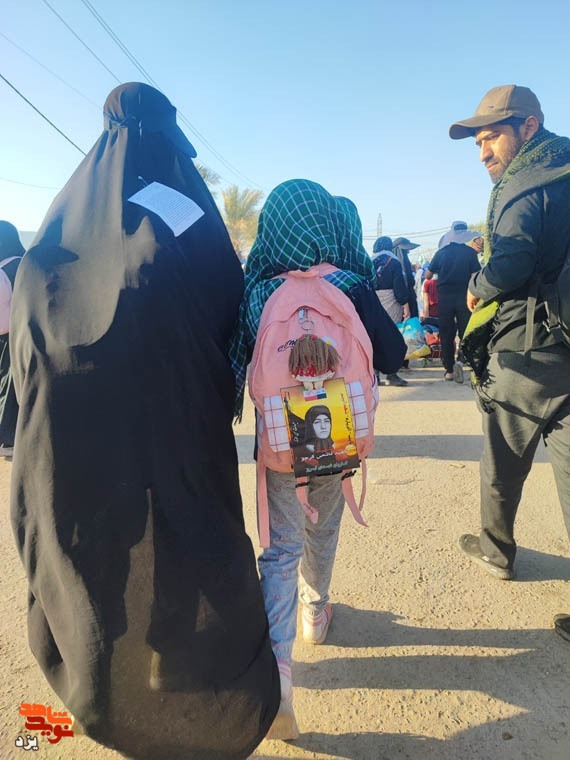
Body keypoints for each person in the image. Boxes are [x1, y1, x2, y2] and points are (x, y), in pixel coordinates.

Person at [10, 82, 279, 758]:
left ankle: (100, 685)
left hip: (77, 431)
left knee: (99, 542)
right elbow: (227, 299)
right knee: (190, 526)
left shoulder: (61, 219)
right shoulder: (187, 209)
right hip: (180, 418)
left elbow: (31, 332)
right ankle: (187, 671)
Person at [230, 179, 406, 740]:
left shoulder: (258, 293)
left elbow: (235, 364)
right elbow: (396, 353)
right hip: (336, 437)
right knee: (323, 528)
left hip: (281, 441)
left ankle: (278, 677)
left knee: (280, 548)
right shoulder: (351, 284)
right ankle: (315, 610)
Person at [448, 85, 570, 641]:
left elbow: (514, 259)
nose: (483, 153)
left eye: (491, 137)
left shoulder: (528, 181)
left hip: (528, 348)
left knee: (502, 457)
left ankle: (496, 551)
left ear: (529, 127)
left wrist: (479, 284)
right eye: (478, 143)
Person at [425, 230, 482, 382]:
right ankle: (462, 361)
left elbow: (428, 275)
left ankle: (449, 370)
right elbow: (476, 275)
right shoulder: (470, 252)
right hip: (464, 297)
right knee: (466, 332)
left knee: (446, 334)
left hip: (445, 297)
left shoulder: (441, 253)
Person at [372, 235, 409, 386]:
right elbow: (399, 285)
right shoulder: (394, 262)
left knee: (374, 338)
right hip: (391, 302)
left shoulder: (369, 262)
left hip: (373, 301)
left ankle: (374, 374)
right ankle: (391, 374)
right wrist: (404, 303)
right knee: (391, 338)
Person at [0, 221, 24, 458]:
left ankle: (6, 438)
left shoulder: (4, 269)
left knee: (6, 388)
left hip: (7, 338)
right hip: (23, 334)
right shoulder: (25, 264)